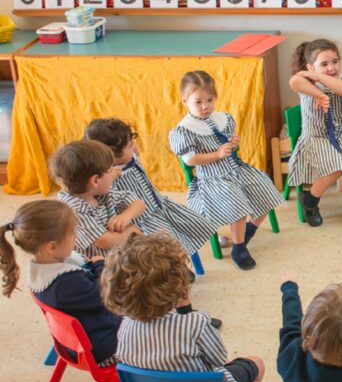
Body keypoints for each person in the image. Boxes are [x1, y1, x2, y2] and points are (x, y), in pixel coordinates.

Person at [102, 234, 266, 382]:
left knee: (171, 375)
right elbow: (219, 360)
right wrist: (186, 308)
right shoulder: (194, 324)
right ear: (180, 285)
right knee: (254, 364)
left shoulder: (125, 326)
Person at [168, 71, 283, 270]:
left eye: (209, 100)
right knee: (237, 204)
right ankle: (239, 247)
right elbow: (192, 159)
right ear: (185, 101)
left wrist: (233, 143)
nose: (205, 107)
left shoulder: (223, 119)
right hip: (212, 179)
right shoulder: (184, 129)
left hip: (236, 169)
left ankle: (247, 232)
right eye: (198, 102)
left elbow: (228, 146)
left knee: (267, 192)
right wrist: (217, 154)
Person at [84, 118, 219, 279]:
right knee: (167, 243)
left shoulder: (129, 157)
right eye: (129, 146)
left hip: (159, 205)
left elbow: (134, 150)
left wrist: (131, 144)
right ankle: (174, 269)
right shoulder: (109, 176)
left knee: (191, 227)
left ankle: (178, 265)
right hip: (142, 219)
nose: (134, 147)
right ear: (110, 156)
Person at [0, 200, 120, 366]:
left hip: (80, 338)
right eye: (72, 232)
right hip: (103, 347)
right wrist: (100, 265)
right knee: (150, 317)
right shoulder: (65, 283)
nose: (75, 236)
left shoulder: (42, 269)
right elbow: (106, 295)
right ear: (52, 246)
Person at [287, 39, 342, 227]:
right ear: (310, 67)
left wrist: (320, 77)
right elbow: (294, 80)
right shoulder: (305, 81)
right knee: (335, 166)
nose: (332, 67)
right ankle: (310, 201)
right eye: (324, 64)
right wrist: (318, 93)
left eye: (335, 61)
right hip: (317, 139)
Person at [51, 140, 156, 258]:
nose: (115, 173)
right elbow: (105, 241)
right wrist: (133, 231)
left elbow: (140, 204)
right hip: (100, 264)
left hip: (119, 250)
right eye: (111, 170)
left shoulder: (101, 192)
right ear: (95, 180)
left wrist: (126, 216)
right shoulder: (74, 210)